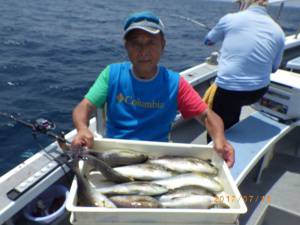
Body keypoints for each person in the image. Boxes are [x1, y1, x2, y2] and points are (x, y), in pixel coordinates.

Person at [71, 11, 234, 168]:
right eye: (136, 43)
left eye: (151, 42)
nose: (143, 51)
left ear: (163, 44)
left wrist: (220, 138)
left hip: (158, 159)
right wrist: (82, 128)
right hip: (113, 154)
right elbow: (84, 107)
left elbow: (207, 116)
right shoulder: (112, 74)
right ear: (126, 46)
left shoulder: (174, 83)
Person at [204, 0, 285, 131]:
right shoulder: (278, 30)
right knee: (237, 100)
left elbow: (208, 41)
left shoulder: (230, 19)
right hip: (258, 92)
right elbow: (274, 68)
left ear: (244, 3)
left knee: (219, 124)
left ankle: (218, 142)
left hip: (229, 91)